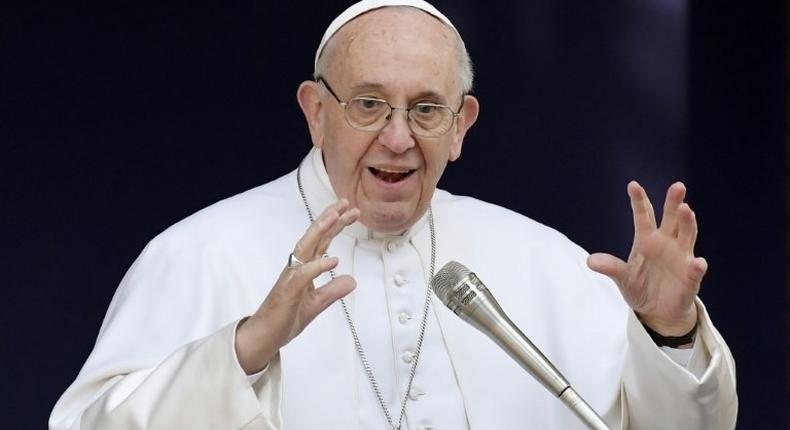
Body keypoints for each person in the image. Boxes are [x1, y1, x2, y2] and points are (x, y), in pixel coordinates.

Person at [50, 1, 737, 429]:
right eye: (369, 104)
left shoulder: (543, 258)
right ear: (316, 113)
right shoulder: (199, 253)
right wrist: (244, 351)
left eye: (427, 109)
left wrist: (667, 335)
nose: (399, 136)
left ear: (462, 124)